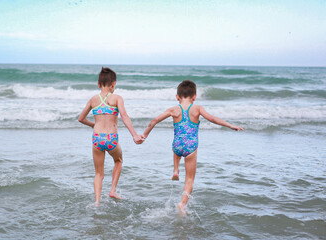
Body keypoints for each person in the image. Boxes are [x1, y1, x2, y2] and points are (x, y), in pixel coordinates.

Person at [142, 80, 243, 214]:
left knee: (177, 147)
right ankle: (182, 204)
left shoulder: (173, 109)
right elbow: (212, 119)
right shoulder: (197, 108)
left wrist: (144, 135)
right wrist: (230, 125)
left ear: (177, 97)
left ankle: (176, 170)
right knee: (189, 180)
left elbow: (154, 120)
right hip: (191, 147)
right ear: (194, 97)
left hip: (177, 145)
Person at [78, 67, 143, 206]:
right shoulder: (117, 98)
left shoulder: (93, 99)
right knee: (118, 160)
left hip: (97, 139)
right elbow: (124, 117)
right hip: (111, 139)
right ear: (113, 84)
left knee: (98, 173)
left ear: (98, 84)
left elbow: (81, 118)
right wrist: (135, 135)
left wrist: (94, 125)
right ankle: (112, 190)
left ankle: (96, 202)